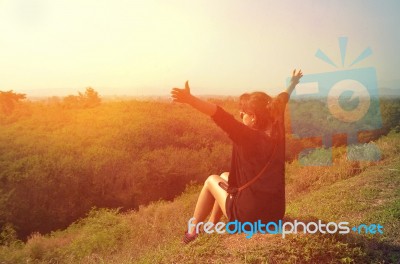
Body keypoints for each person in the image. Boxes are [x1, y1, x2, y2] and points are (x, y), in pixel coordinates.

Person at [171, 70, 303, 243]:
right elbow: (283, 98)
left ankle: (192, 232)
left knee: (211, 180)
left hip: (250, 218)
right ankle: (211, 225)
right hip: (275, 213)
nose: (240, 115)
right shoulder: (277, 127)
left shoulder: (248, 136)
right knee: (226, 176)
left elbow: (219, 114)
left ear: (254, 117)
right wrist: (293, 82)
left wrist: (190, 100)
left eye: (243, 112)